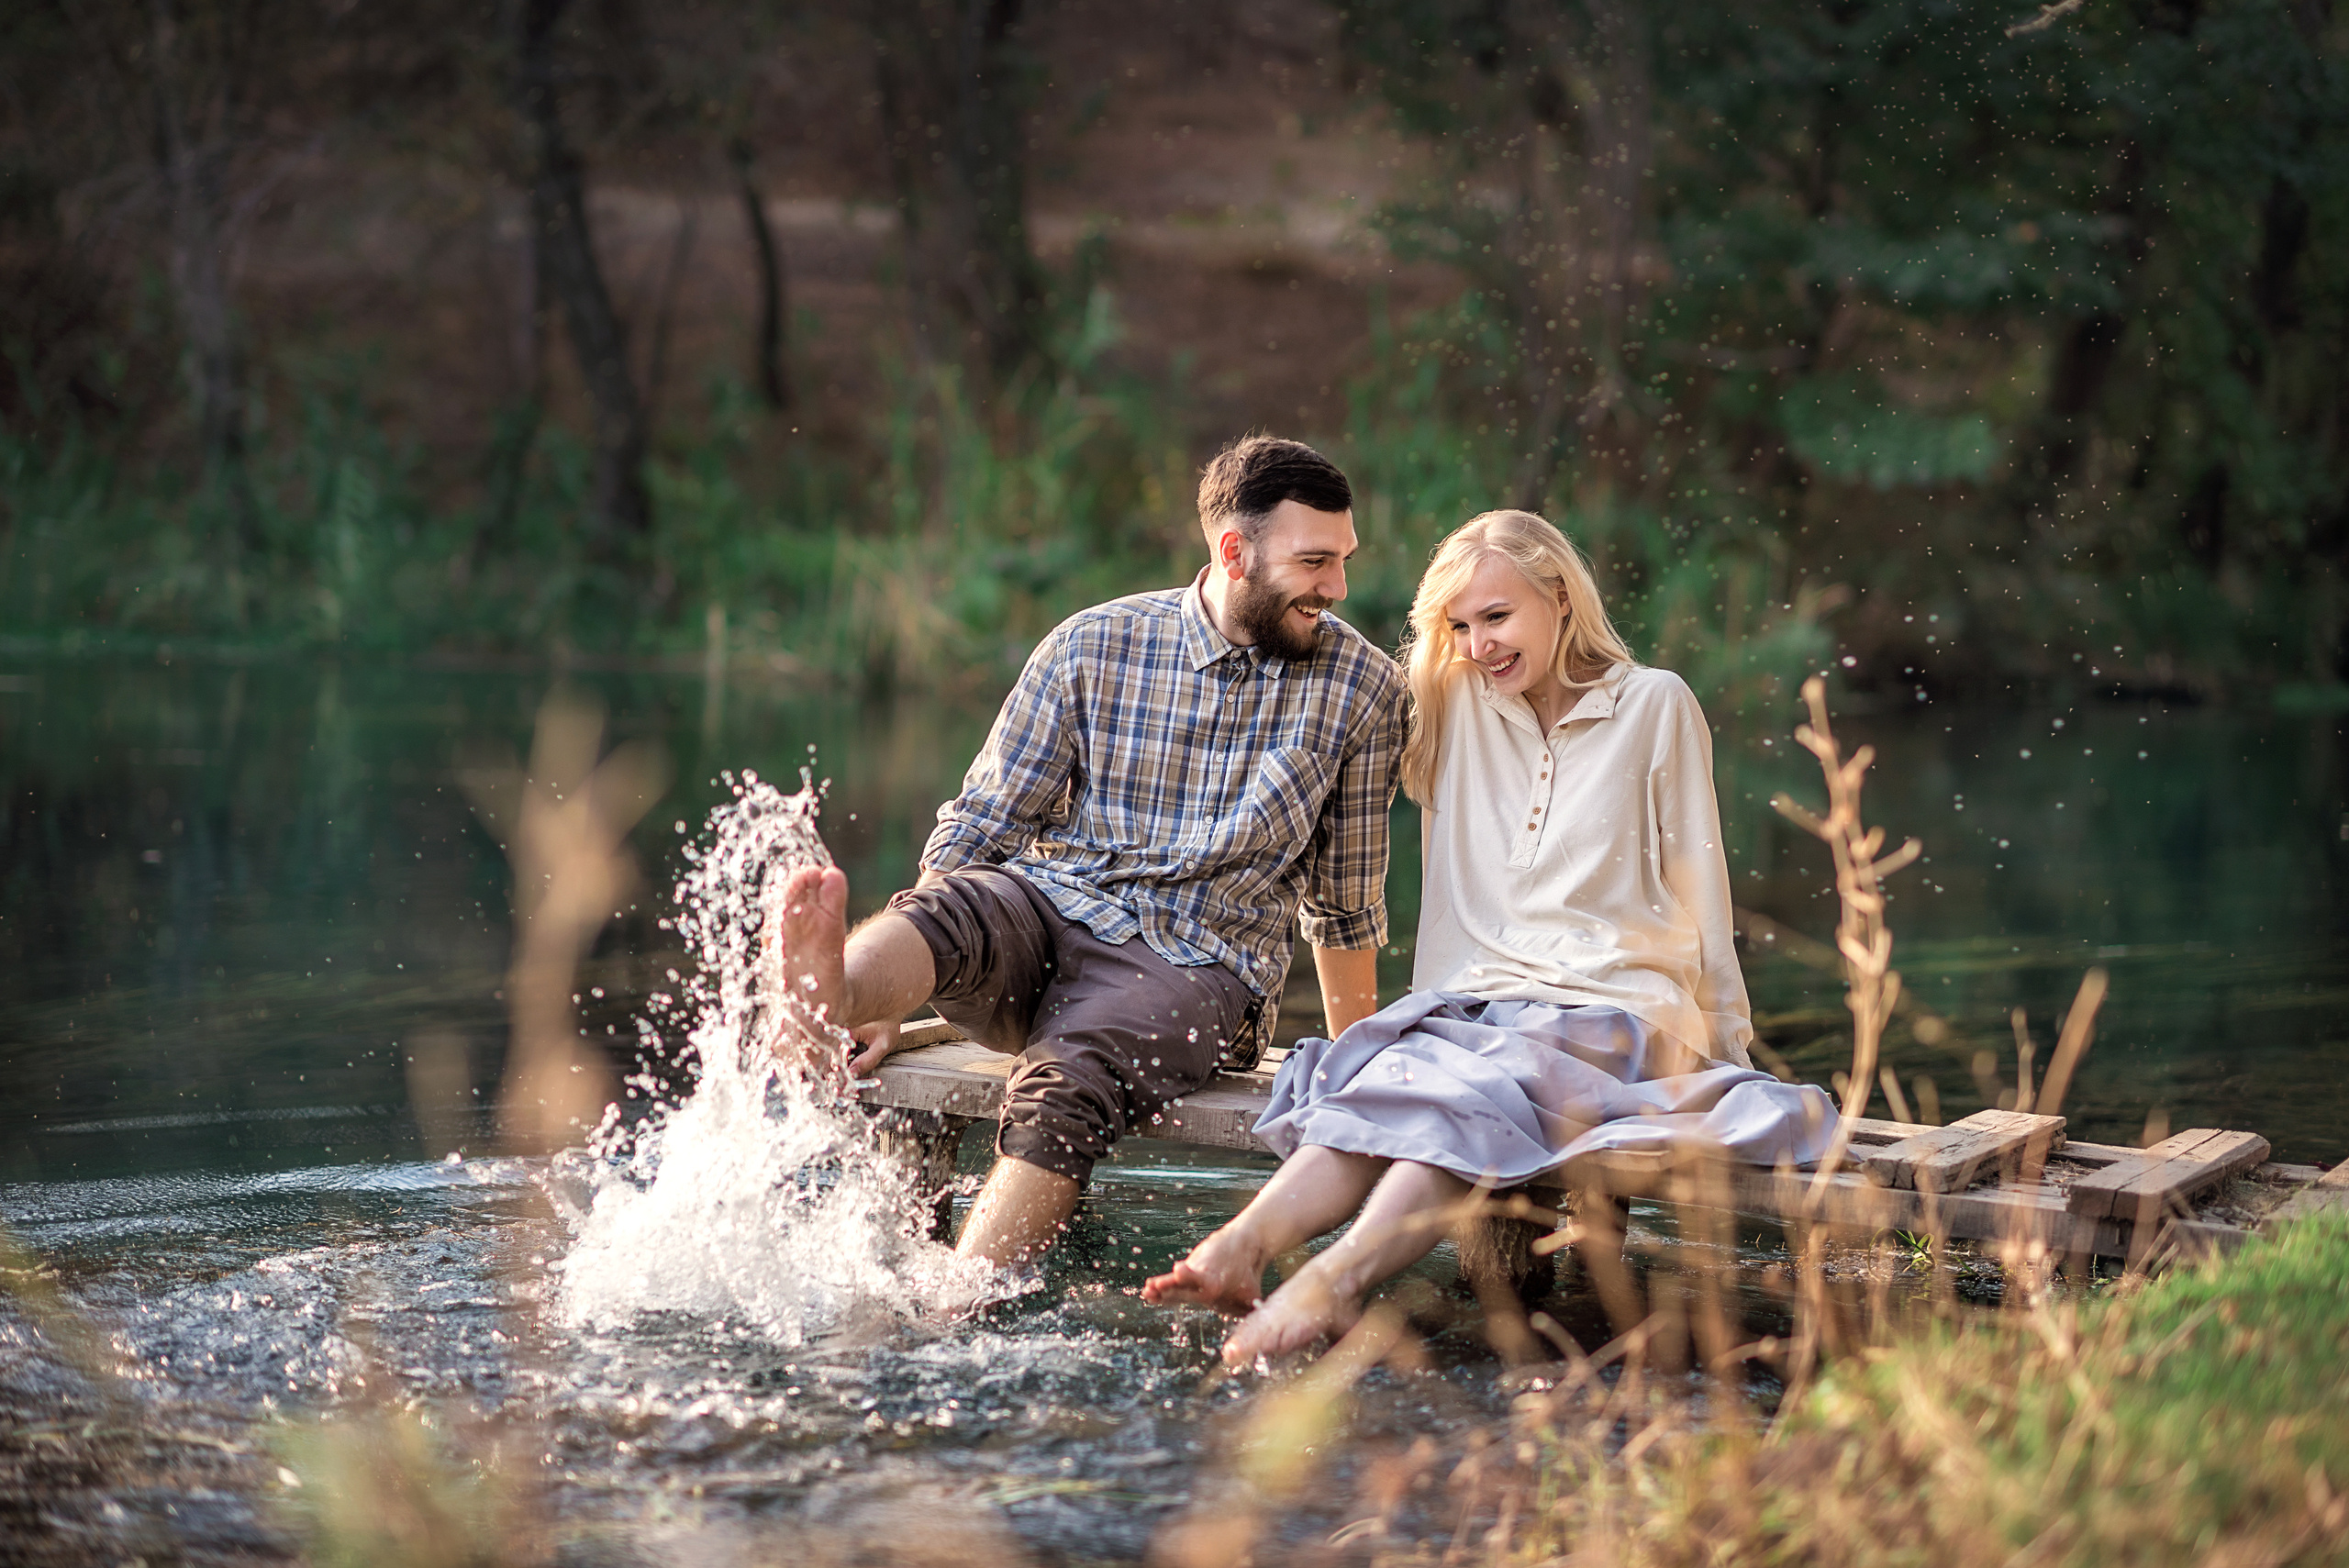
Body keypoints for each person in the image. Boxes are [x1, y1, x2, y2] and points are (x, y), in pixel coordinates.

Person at [1143, 509, 1834, 1364]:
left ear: (1559, 595)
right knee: (1397, 1075)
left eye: (1497, 617)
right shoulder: (1451, 702)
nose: (1478, 644)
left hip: (1615, 1009)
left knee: (1467, 1087)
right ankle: (1242, 1244)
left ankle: (1339, 1277)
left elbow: (1704, 896)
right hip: (1474, 1009)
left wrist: (1725, 1045)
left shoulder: (1655, 703)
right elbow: (1332, 669)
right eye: (1459, 624)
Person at [768, 435, 1411, 1273]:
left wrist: (1352, 1062)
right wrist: (891, 1004)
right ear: (1233, 552)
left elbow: (1344, 898)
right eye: (1315, 561)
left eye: (1344, 560)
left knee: (1073, 1074)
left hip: (1198, 962)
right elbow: (980, 826)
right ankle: (834, 995)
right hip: (1047, 907)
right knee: (955, 905)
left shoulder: (1363, 688)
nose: (1338, 588)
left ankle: (958, 1298)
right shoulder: (1091, 645)